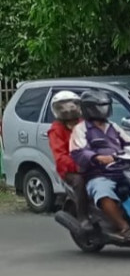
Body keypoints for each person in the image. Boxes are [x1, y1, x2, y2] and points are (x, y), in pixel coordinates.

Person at [71, 90, 130, 242]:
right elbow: (78, 152)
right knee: (103, 193)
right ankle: (123, 227)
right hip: (98, 174)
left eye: (105, 105)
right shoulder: (81, 129)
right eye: (100, 105)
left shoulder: (113, 126)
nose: (104, 108)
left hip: (122, 170)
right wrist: (97, 157)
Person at [48, 91, 91, 221]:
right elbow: (60, 158)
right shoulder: (56, 130)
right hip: (71, 170)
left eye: (71, 106)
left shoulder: (84, 124)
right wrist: (79, 166)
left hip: (91, 163)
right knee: (79, 182)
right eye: (63, 107)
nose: (68, 110)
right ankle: (83, 217)